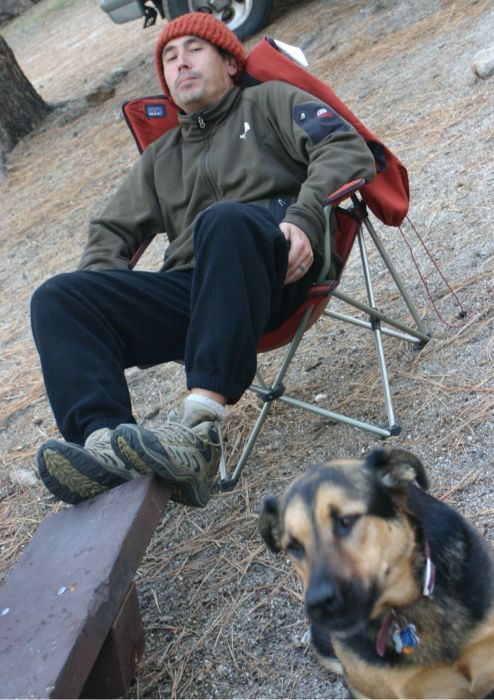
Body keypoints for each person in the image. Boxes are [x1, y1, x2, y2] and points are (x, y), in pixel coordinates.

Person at [30, 12, 376, 508]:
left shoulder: (271, 101)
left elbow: (343, 147)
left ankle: (198, 431)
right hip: (197, 295)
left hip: (277, 269)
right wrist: (108, 299)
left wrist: (302, 218)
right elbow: (111, 229)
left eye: (194, 49)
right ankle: (102, 448)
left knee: (225, 220)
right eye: (170, 58)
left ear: (231, 63)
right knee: (59, 298)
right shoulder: (162, 156)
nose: (181, 63)